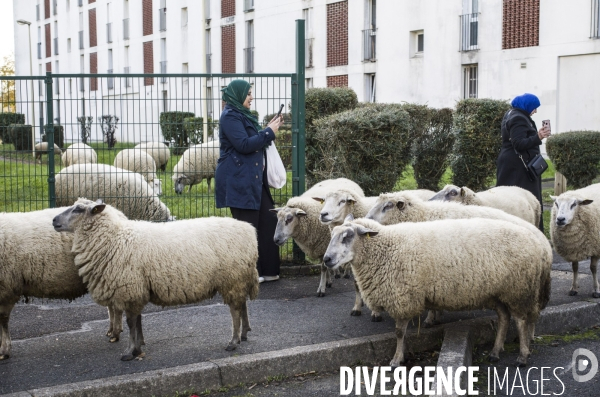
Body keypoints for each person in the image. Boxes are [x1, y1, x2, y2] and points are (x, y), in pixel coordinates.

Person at [215, 79, 285, 283]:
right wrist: (268, 133)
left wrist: (269, 129)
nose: (251, 97)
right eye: (248, 94)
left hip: (252, 179)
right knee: (247, 227)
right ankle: (249, 275)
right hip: (238, 180)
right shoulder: (230, 116)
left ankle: (269, 271)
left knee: (268, 220)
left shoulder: (242, 115)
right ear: (237, 95)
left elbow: (253, 140)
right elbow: (243, 144)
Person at [496, 93, 551, 231]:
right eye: (534, 107)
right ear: (527, 106)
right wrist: (538, 137)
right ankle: (530, 232)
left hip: (514, 166)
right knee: (527, 201)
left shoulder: (513, 114)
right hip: (519, 169)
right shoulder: (518, 118)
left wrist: (536, 135)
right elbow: (519, 144)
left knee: (512, 201)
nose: (535, 111)